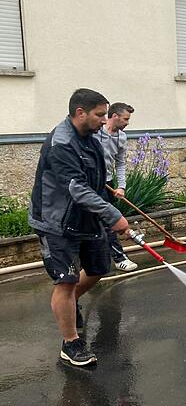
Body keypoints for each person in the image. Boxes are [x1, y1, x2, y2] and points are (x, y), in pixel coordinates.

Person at [29, 88, 130, 366]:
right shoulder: (61, 143)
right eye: (99, 115)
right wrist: (114, 216)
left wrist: (106, 201)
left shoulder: (90, 137)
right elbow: (77, 189)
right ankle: (71, 344)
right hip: (56, 221)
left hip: (85, 217)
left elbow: (94, 181)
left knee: (98, 268)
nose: (104, 120)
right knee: (66, 279)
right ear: (80, 113)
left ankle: (69, 304)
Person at [95, 102, 137, 272]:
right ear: (114, 116)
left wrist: (122, 186)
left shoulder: (122, 137)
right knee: (103, 222)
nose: (127, 122)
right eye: (126, 119)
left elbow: (120, 163)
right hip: (91, 184)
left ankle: (117, 258)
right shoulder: (96, 132)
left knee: (108, 222)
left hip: (108, 183)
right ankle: (118, 258)